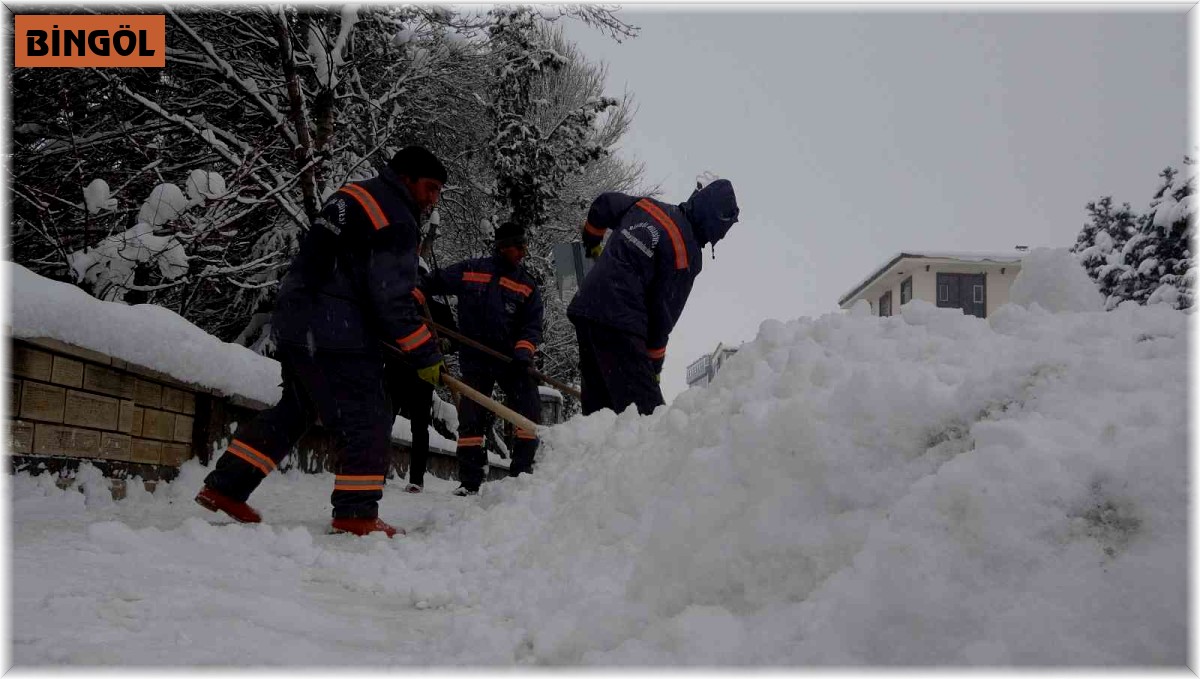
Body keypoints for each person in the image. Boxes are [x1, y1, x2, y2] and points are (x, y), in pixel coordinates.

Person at [194, 145, 448, 538]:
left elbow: (351, 264)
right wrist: (425, 354)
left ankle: (226, 487)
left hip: (298, 316)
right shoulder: (398, 217)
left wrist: (405, 292)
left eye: (438, 192)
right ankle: (356, 512)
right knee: (369, 409)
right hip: (337, 327)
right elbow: (388, 297)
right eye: (430, 188)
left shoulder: (354, 195)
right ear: (407, 177)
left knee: (297, 407)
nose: (433, 199)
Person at [566, 178, 739, 416]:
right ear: (715, 225)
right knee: (650, 421)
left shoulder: (649, 206)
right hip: (621, 325)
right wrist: (654, 367)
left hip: (586, 310)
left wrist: (592, 239)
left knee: (599, 416)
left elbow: (603, 204)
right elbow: (662, 316)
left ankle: (590, 451)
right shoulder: (685, 253)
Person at [419, 221, 544, 495]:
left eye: (524, 246)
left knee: (528, 413)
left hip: (512, 361)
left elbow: (532, 325)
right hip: (475, 358)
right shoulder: (472, 271)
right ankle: (470, 481)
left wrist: (524, 352)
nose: (523, 252)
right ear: (502, 247)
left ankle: (521, 477)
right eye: (518, 246)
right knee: (472, 419)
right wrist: (417, 286)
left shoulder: (526, 285)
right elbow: (431, 283)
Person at [386, 254, 457, 494]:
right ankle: (377, 470)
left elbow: (454, 339)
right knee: (384, 420)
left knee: (419, 426)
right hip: (395, 370)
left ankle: (416, 478)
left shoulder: (437, 310)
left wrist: (444, 343)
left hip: (423, 375)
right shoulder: (396, 307)